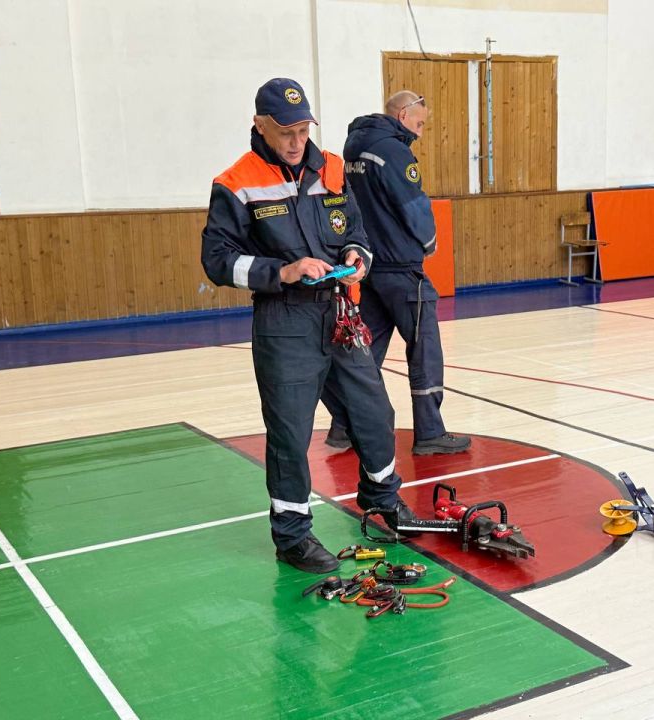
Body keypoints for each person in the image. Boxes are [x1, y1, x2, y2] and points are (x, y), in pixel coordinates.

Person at [201, 78, 419, 574]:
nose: (298, 141)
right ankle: (293, 536)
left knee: (374, 411)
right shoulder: (236, 183)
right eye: (286, 132)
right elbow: (216, 261)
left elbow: (358, 232)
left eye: (303, 129)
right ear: (259, 126)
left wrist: (356, 256)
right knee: (290, 433)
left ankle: (382, 499)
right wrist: (280, 272)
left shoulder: (334, 169)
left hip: (340, 312)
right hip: (285, 321)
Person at [323, 91, 471, 456]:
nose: (420, 133)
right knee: (425, 350)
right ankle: (431, 433)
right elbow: (412, 202)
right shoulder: (393, 150)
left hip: (370, 268)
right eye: (419, 123)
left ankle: (344, 426)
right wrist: (429, 240)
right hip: (402, 268)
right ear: (403, 114)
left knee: (366, 351)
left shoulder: (354, 146)